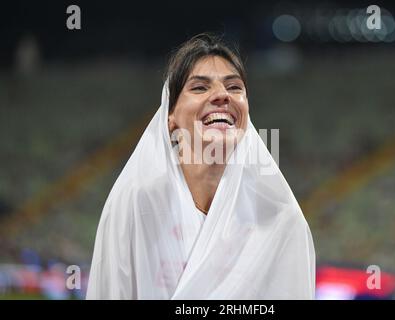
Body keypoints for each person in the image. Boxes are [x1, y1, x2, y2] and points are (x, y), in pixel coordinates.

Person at [86, 33, 315, 299]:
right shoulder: (138, 203)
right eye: (199, 87)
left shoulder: (280, 218)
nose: (222, 96)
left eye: (234, 87)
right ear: (169, 116)